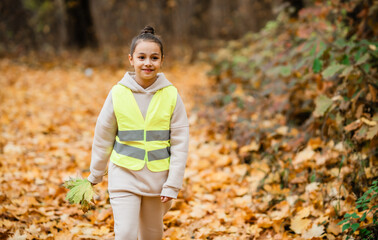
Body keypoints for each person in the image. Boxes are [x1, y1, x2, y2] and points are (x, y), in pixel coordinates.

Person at [87, 25, 189, 240]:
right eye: (141, 57)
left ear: (162, 60)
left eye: (154, 58)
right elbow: (103, 135)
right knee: (125, 234)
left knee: (152, 235)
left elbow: (181, 143)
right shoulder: (118, 93)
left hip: (158, 180)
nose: (148, 63)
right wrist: (96, 172)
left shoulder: (171, 95)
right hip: (123, 174)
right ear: (131, 59)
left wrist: (173, 184)